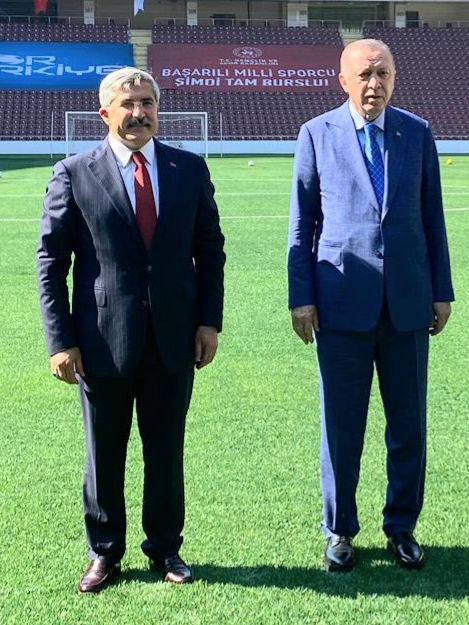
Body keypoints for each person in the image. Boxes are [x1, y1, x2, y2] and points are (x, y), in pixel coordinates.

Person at [37, 67, 225, 593]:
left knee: (165, 451)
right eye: (128, 104)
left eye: (147, 103)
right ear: (105, 114)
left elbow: (210, 249)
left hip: (174, 337)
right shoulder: (74, 173)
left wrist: (208, 321)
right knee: (104, 453)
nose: (139, 113)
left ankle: (165, 548)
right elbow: (51, 263)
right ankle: (104, 551)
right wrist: (61, 340)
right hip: (100, 340)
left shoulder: (189, 169)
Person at [287, 39, 454, 572]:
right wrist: (301, 297)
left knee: (409, 425)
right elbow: (302, 224)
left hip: (407, 304)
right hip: (340, 305)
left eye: (383, 74)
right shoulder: (316, 134)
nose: (374, 84)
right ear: (343, 80)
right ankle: (339, 530)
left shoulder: (417, 132)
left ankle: (402, 527)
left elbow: (432, 217)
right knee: (342, 427)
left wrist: (442, 290)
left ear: (395, 78)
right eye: (364, 74)